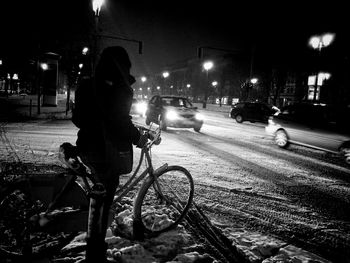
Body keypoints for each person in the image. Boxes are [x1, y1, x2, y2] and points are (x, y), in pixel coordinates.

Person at [72, 46, 147, 262]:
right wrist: (138, 138)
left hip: (86, 147)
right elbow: (120, 121)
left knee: (95, 195)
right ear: (122, 66)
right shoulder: (120, 89)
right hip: (106, 153)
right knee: (104, 202)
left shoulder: (87, 84)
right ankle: (96, 251)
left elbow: (78, 118)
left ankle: (92, 240)